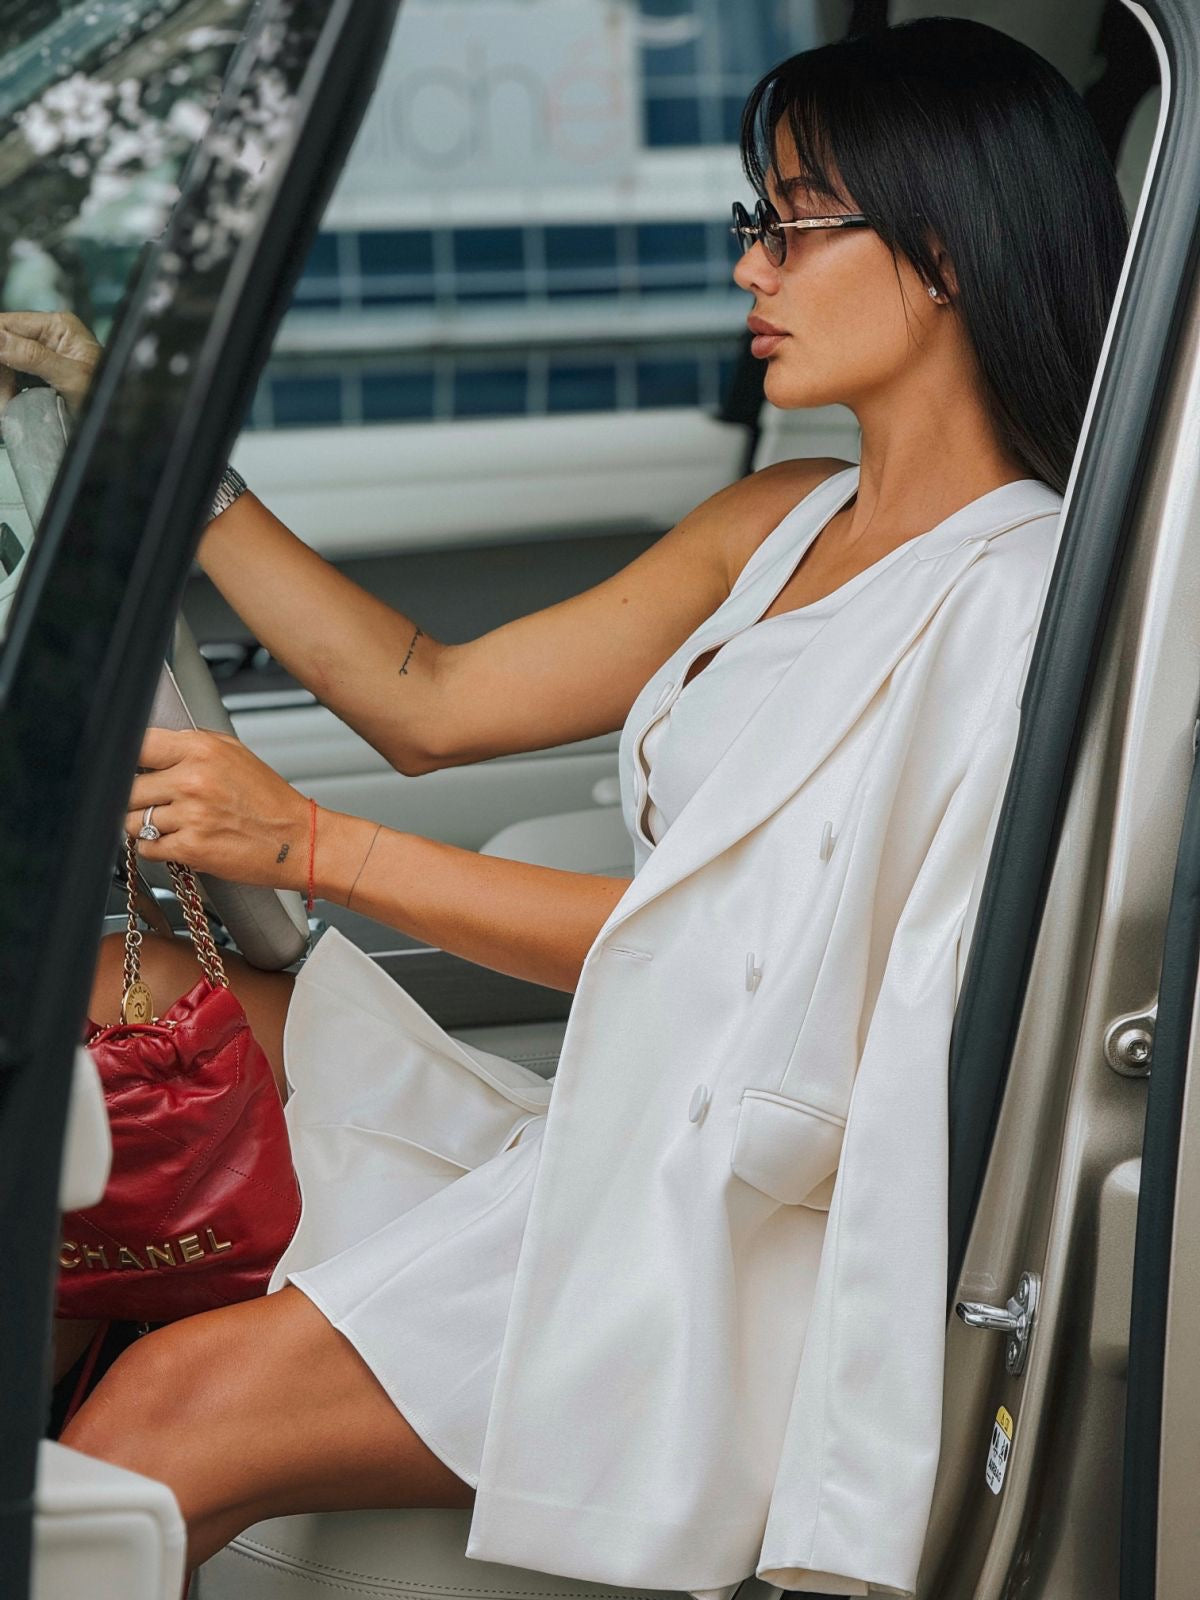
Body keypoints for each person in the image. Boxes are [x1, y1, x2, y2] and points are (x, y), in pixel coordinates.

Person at [3, 16, 1128, 1590]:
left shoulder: (1017, 605)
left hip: (727, 1227)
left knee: (162, 1414)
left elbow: (722, 966)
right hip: (612, 1121)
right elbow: (427, 699)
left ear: (944, 253)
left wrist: (308, 846)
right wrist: (151, 443)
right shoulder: (777, 521)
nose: (751, 267)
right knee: (124, 1018)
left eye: (792, 225)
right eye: (759, 223)